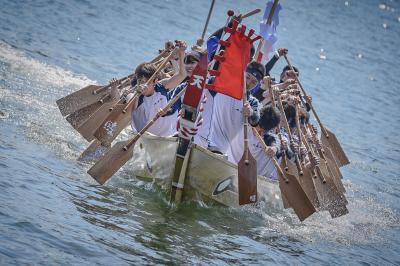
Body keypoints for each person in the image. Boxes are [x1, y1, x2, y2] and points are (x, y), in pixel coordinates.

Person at [130, 40, 187, 137]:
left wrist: (181, 53)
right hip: (145, 138)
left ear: (155, 81)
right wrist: (136, 94)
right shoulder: (136, 96)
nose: (142, 85)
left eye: (145, 82)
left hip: (167, 137)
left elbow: (182, 75)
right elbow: (129, 110)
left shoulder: (161, 87)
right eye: (140, 81)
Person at [207, 61, 264, 155]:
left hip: (220, 150)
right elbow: (206, 80)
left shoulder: (252, 102)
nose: (248, 83)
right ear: (243, 73)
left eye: (254, 82)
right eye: (247, 77)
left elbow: (256, 120)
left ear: (257, 84)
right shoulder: (223, 84)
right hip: (203, 137)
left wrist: (250, 113)